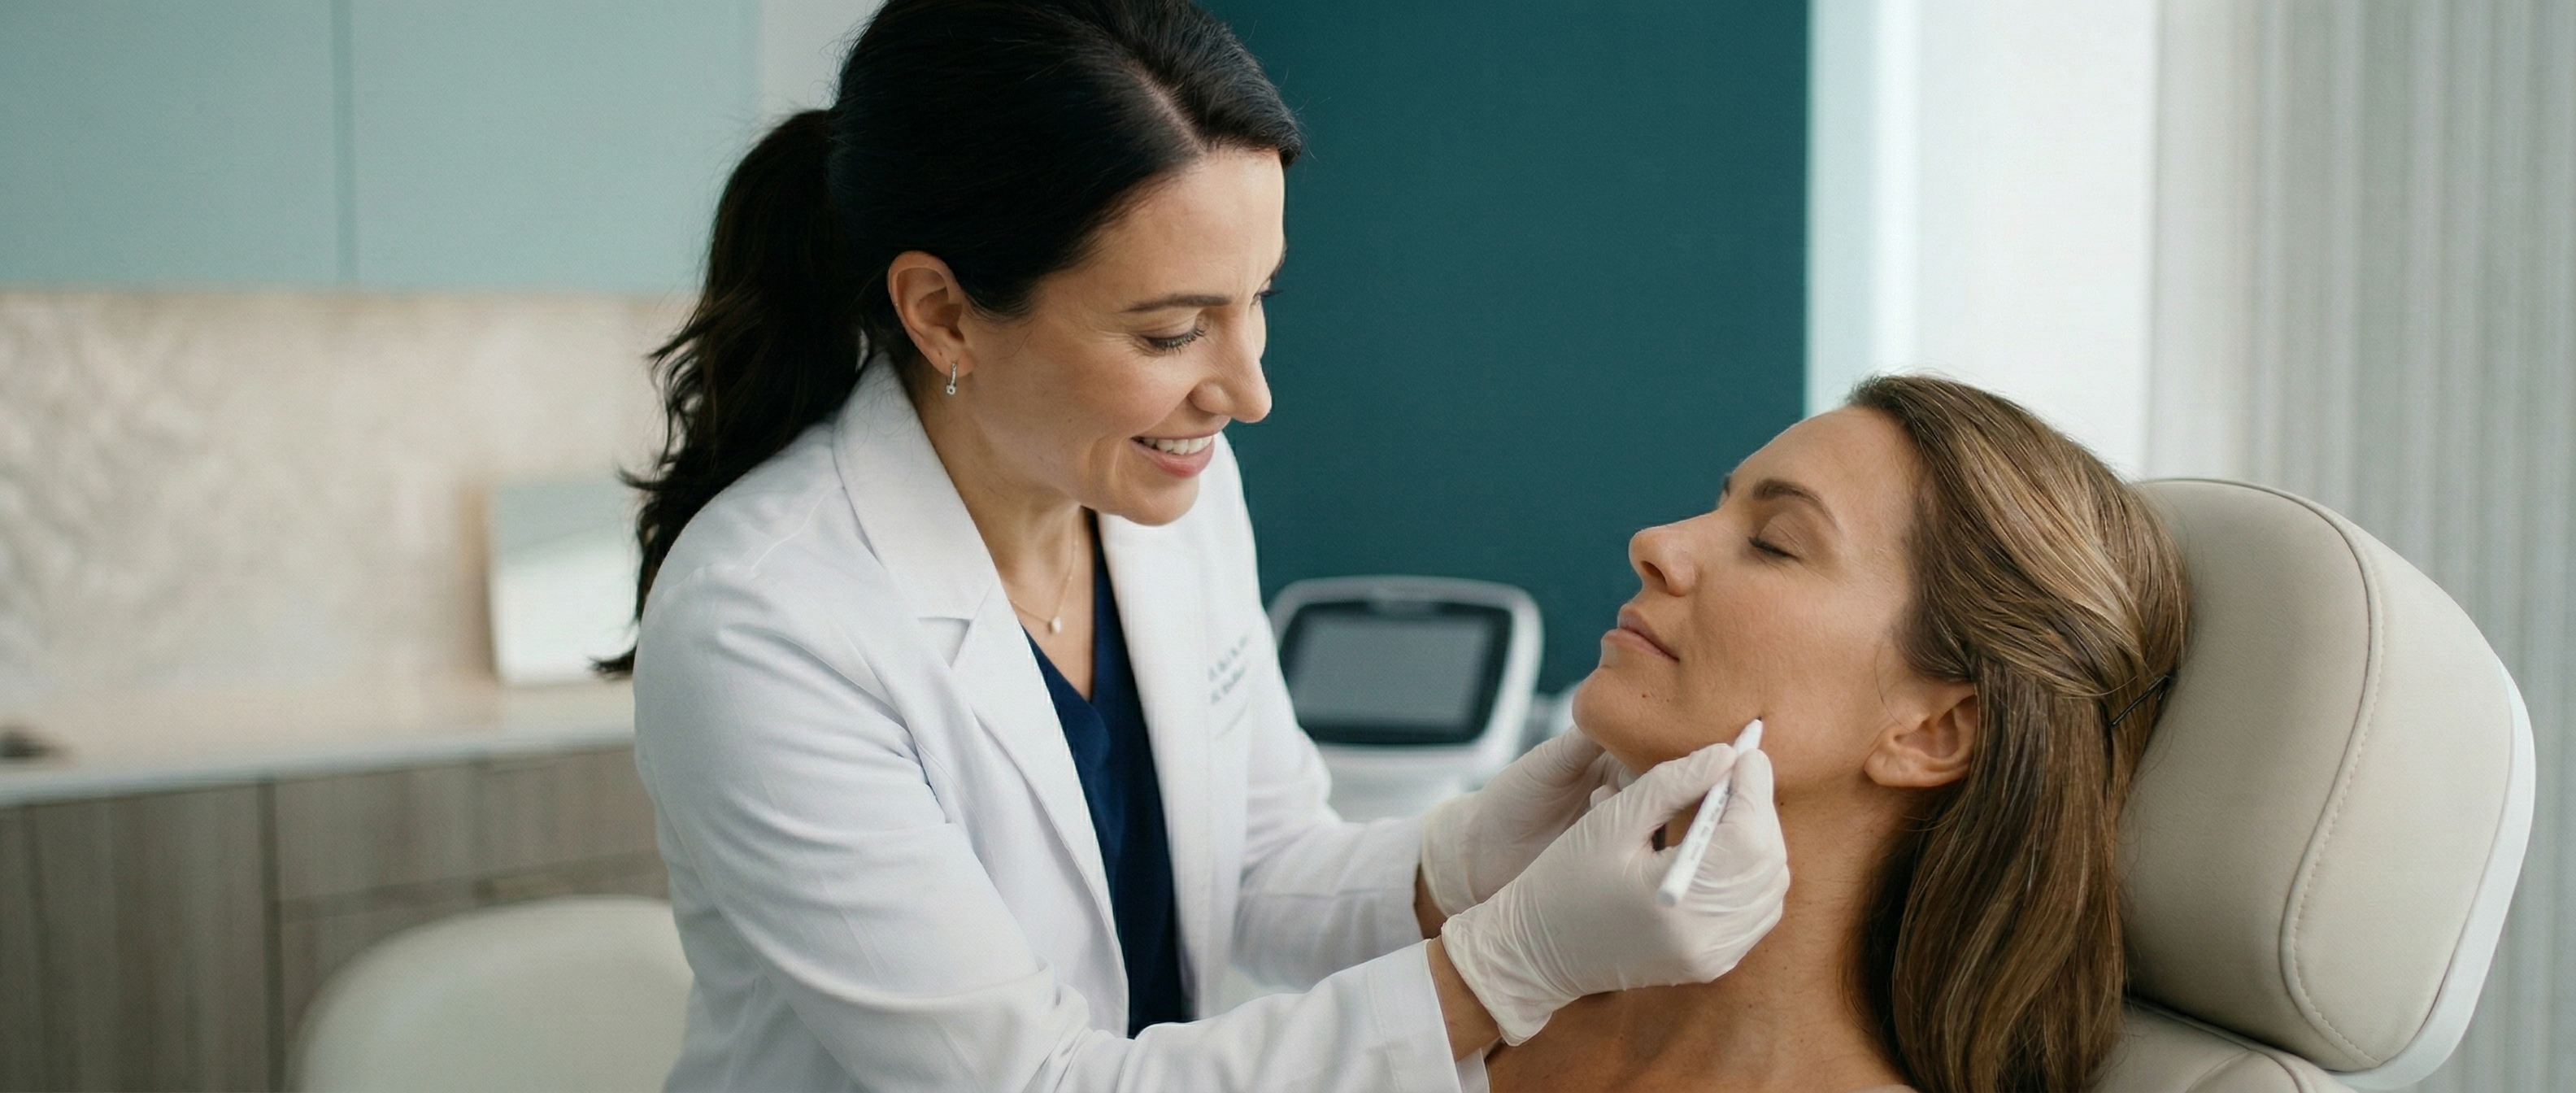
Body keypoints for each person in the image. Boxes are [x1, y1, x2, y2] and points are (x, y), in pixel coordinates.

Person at [609, 1, 1789, 1089]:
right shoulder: (767, 622)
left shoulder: (1163, 488)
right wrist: (1503, 966)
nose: (1247, 390)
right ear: (944, 311)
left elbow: (1259, 869)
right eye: (1174, 329)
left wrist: (1481, 855)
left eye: (1257, 298)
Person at [1459, 376, 2188, 1093]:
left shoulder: (1481, 986)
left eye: (1775, 543)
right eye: (1719, 505)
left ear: (1935, 731)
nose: (1656, 541)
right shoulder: (1473, 989)